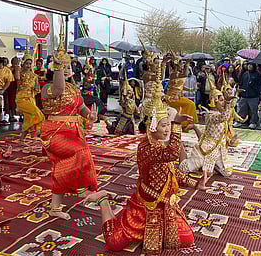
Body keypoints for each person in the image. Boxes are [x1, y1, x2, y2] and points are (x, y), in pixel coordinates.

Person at [82, 80, 197, 255]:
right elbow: (173, 153)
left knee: (187, 239)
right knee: (114, 242)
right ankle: (103, 201)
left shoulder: (159, 146)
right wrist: (176, 125)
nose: (167, 130)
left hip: (165, 208)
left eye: (167, 125)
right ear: (152, 125)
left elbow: (171, 172)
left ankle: (153, 233)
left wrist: (195, 184)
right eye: (163, 125)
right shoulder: (148, 148)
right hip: (144, 208)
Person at [40, 35, 99, 220]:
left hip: (74, 131)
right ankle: (79, 191)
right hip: (55, 131)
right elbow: (58, 89)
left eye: (67, 67)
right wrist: (58, 69)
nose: (65, 70)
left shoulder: (74, 89)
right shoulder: (47, 88)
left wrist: (90, 115)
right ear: (54, 68)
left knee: (73, 161)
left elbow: (81, 108)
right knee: (77, 155)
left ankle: (59, 204)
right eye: (61, 67)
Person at [197, 78, 234, 190]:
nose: (223, 102)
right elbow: (224, 117)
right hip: (210, 146)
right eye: (221, 100)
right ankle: (201, 183)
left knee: (227, 173)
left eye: (223, 100)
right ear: (214, 101)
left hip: (220, 147)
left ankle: (214, 167)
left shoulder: (219, 112)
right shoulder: (211, 114)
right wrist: (227, 103)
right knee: (208, 170)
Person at [16, 52, 45, 145]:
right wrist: (17, 66)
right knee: (38, 114)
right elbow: (16, 79)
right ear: (23, 63)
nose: (28, 65)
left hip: (31, 98)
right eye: (26, 63)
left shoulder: (34, 76)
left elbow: (37, 89)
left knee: (28, 119)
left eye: (29, 63)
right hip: (21, 98)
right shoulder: (19, 73)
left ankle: (22, 140)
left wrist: (36, 88)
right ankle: (37, 131)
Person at [166, 55, 198, 131]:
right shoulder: (173, 74)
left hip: (178, 96)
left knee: (188, 104)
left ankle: (184, 123)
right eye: (181, 63)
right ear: (176, 64)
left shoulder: (178, 74)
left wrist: (190, 90)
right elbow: (185, 74)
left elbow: (180, 86)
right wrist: (187, 64)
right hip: (172, 97)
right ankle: (185, 124)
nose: (182, 65)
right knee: (190, 104)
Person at [235, 62, 261, 129]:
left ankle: (253, 122)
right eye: (248, 65)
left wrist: (257, 92)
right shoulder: (245, 74)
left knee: (254, 110)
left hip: (254, 96)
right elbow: (241, 83)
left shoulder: (258, 74)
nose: (249, 66)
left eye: (251, 65)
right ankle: (239, 121)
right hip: (244, 95)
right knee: (242, 109)